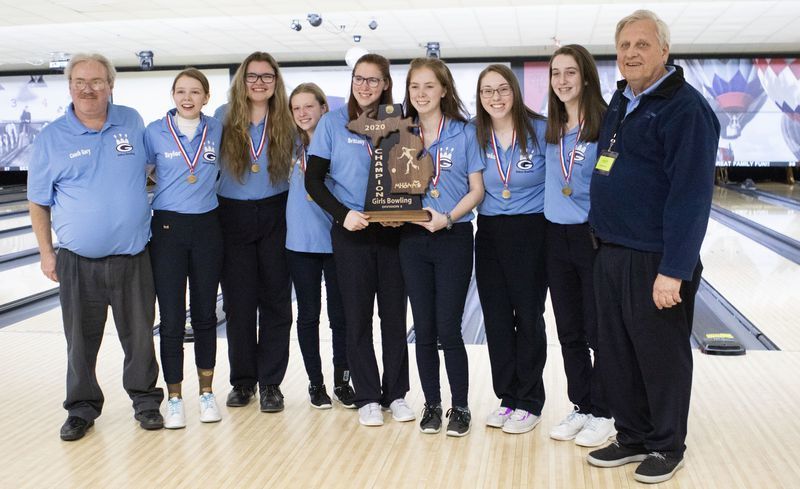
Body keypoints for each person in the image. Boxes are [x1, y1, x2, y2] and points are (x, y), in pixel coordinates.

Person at [585, 10, 720, 484]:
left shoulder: (686, 109)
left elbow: (691, 197)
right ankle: (633, 435)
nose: (632, 53)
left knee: (659, 356)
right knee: (618, 352)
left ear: (664, 50)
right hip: (612, 251)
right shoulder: (621, 101)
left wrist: (675, 269)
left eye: (643, 44)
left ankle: (666, 444)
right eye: (624, 46)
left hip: (654, 259)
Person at [27, 53, 164, 441]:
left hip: (133, 256)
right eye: (80, 81)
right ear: (70, 85)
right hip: (77, 261)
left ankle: (145, 401)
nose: (88, 88)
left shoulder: (132, 122)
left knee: (139, 336)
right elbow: (39, 200)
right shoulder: (52, 137)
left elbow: (152, 168)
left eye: (97, 81)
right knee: (80, 341)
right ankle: (81, 408)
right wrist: (45, 252)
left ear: (111, 85)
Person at [305, 53, 414, 427]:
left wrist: (404, 212)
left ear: (385, 84)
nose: (364, 86)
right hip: (352, 230)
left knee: (394, 317)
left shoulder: (399, 122)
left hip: (395, 232)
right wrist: (342, 214)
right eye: (359, 79)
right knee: (357, 318)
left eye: (372, 80)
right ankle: (368, 395)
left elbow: (413, 176)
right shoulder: (333, 124)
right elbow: (313, 181)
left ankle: (396, 393)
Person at [398, 57, 484, 437]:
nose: (421, 93)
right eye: (415, 86)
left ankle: (460, 407)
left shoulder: (464, 133)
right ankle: (431, 404)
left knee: (449, 328)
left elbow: (476, 191)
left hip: (453, 236)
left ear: (444, 90)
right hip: (412, 240)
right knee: (425, 326)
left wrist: (446, 217)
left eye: (429, 86)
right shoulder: (399, 133)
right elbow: (388, 192)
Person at [543, 45, 615, 447]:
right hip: (555, 237)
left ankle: (605, 410)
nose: (563, 81)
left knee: (598, 330)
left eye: (571, 72)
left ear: (586, 77)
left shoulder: (604, 124)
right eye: (556, 73)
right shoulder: (551, 129)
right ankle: (582, 405)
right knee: (568, 330)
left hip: (592, 238)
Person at [470, 64, 548, 435]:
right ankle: (508, 397)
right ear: (480, 97)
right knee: (497, 319)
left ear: (515, 92)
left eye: (502, 89)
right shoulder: (474, 134)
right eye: (487, 91)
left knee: (528, 316)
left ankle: (530, 400)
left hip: (531, 231)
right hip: (488, 232)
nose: (495, 97)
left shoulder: (542, 129)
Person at [214, 52, 294, 413]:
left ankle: (271, 384)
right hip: (233, 215)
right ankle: (243, 381)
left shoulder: (287, 119)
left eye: (267, 76)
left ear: (276, 82)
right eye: (252, 76)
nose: (259, 82)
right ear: (241, 81)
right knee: (238, 303)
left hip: (278, 212)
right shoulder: (223, 117)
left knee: (277, 302)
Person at [144, 68, 223, 429]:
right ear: (173, 96)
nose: (187, 97)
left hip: (208, 228)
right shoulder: (153, 132)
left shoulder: (217, 129)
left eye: (195, 92)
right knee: (173, 318)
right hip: (167, 229)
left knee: (206, 315)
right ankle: (174, 397)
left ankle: (206, 393)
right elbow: (140, 174)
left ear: (206, 97)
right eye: (180, 91)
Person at [286, 82, 355, 409]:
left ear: (323, 109)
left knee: (340, 318)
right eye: (296, 108)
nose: (302, 113)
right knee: (308, 316)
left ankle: (343, 381)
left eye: (308, 106)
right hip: (300, 244)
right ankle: (316, 384)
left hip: (337, 240)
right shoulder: (287, 148)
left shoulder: (338, 143)